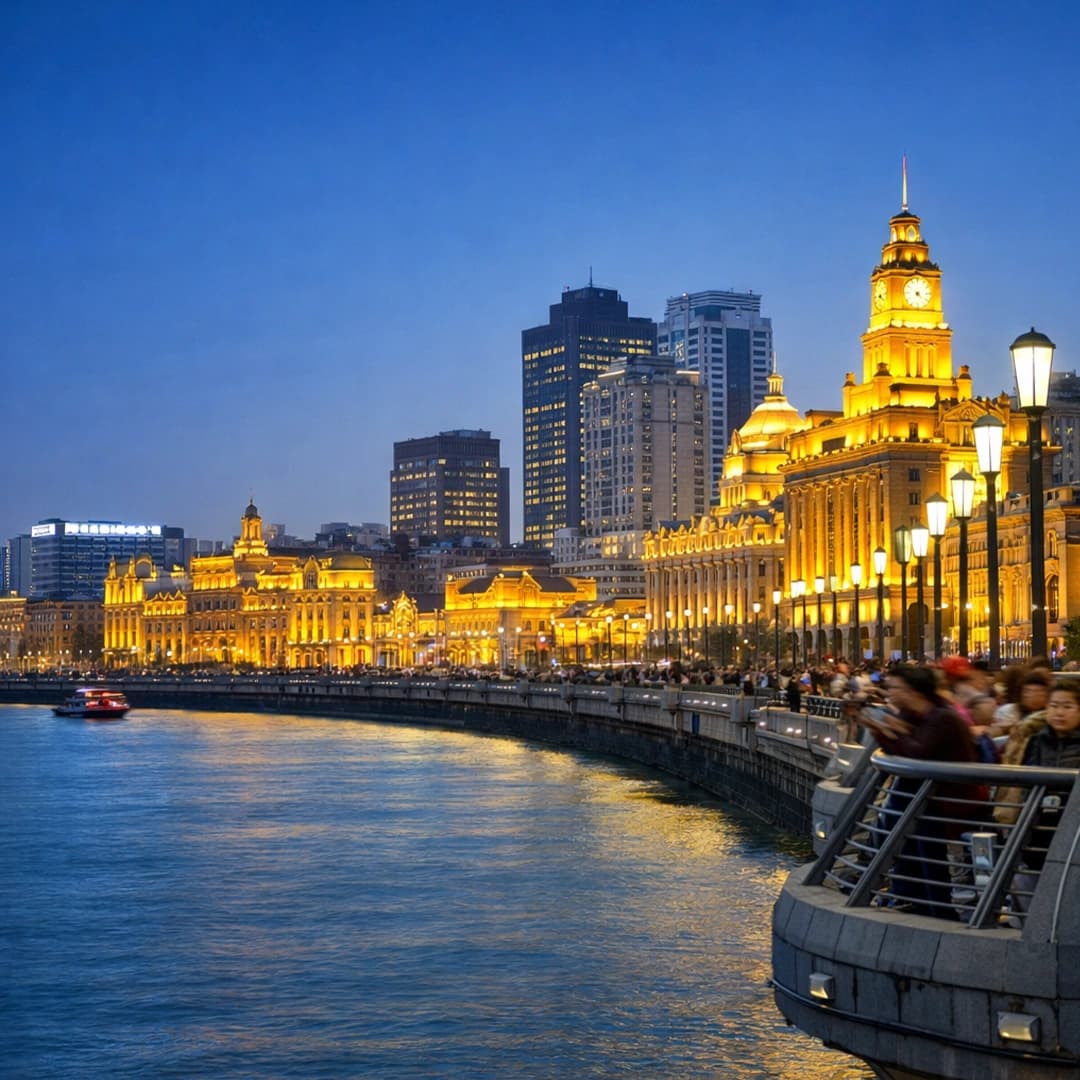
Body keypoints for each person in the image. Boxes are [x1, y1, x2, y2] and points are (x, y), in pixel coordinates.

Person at [859, 664, 988, 917]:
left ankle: (937, 908)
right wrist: (886, 731)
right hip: (925, 800)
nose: (889, 693)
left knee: (920, 834)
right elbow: (902, 750)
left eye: (895, 687)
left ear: (914, 691)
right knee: (906, 830)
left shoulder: (943, 718)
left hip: (950, 802)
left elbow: (918, 753)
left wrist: (890, 731)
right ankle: (909, 897)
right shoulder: (913, 714)